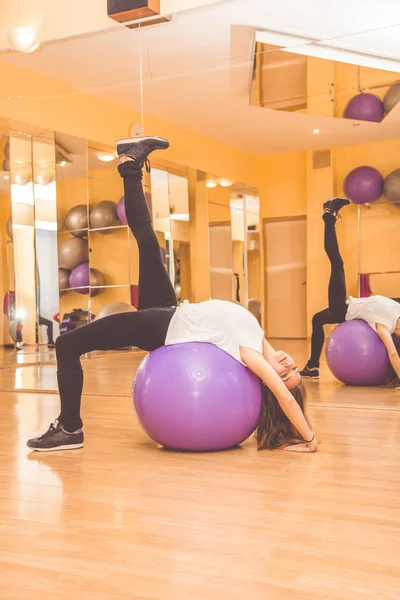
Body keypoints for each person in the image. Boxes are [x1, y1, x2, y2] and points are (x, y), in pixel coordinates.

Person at [27, 136, 316, 454]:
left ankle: (70, 428)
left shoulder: (251, 356)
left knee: (67, 344)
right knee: (149, 243)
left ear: (269, 381)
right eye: (294, 369)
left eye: (283, 375)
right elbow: (288, 391)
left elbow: (286, 398)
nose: (287, 366)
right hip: (170, 310)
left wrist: (310, 440)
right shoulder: (258, 334)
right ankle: (129, 164)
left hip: (160, 327)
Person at [300, 199, 400, 383]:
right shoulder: (397, 308)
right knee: (317, 319)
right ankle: (312, 366)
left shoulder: (384, 326)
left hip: (342, 309)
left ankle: (328, 218)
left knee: (337, 263)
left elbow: (393, 353)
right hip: (349, 303)